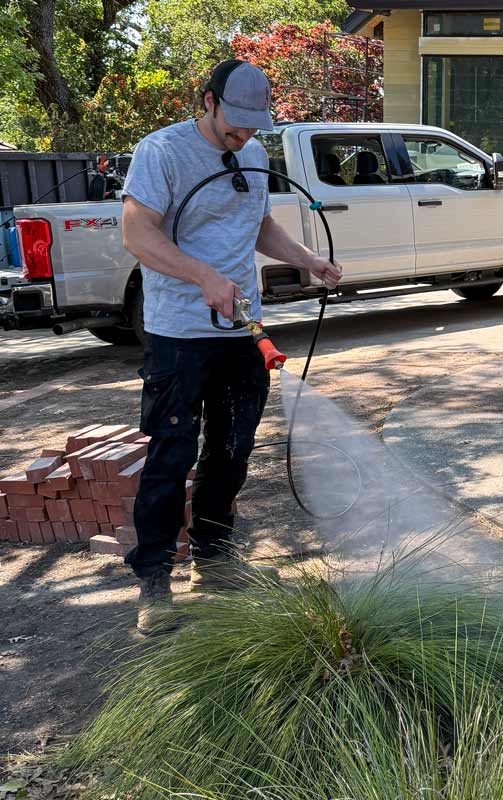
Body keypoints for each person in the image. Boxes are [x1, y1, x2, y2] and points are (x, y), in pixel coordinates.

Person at [121, 59, 342, 635]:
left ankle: (213, 561)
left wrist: (306, 259)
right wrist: (202, 278)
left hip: (242, 331)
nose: (242, 136)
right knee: (171, 455)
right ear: (208, 102)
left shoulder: (252, 154)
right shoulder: (162, 152)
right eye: (234, 125)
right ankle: (153, 583)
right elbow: (136, 233)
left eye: (252, 126)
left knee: (232, 451)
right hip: (179, 334)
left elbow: (257, 224)